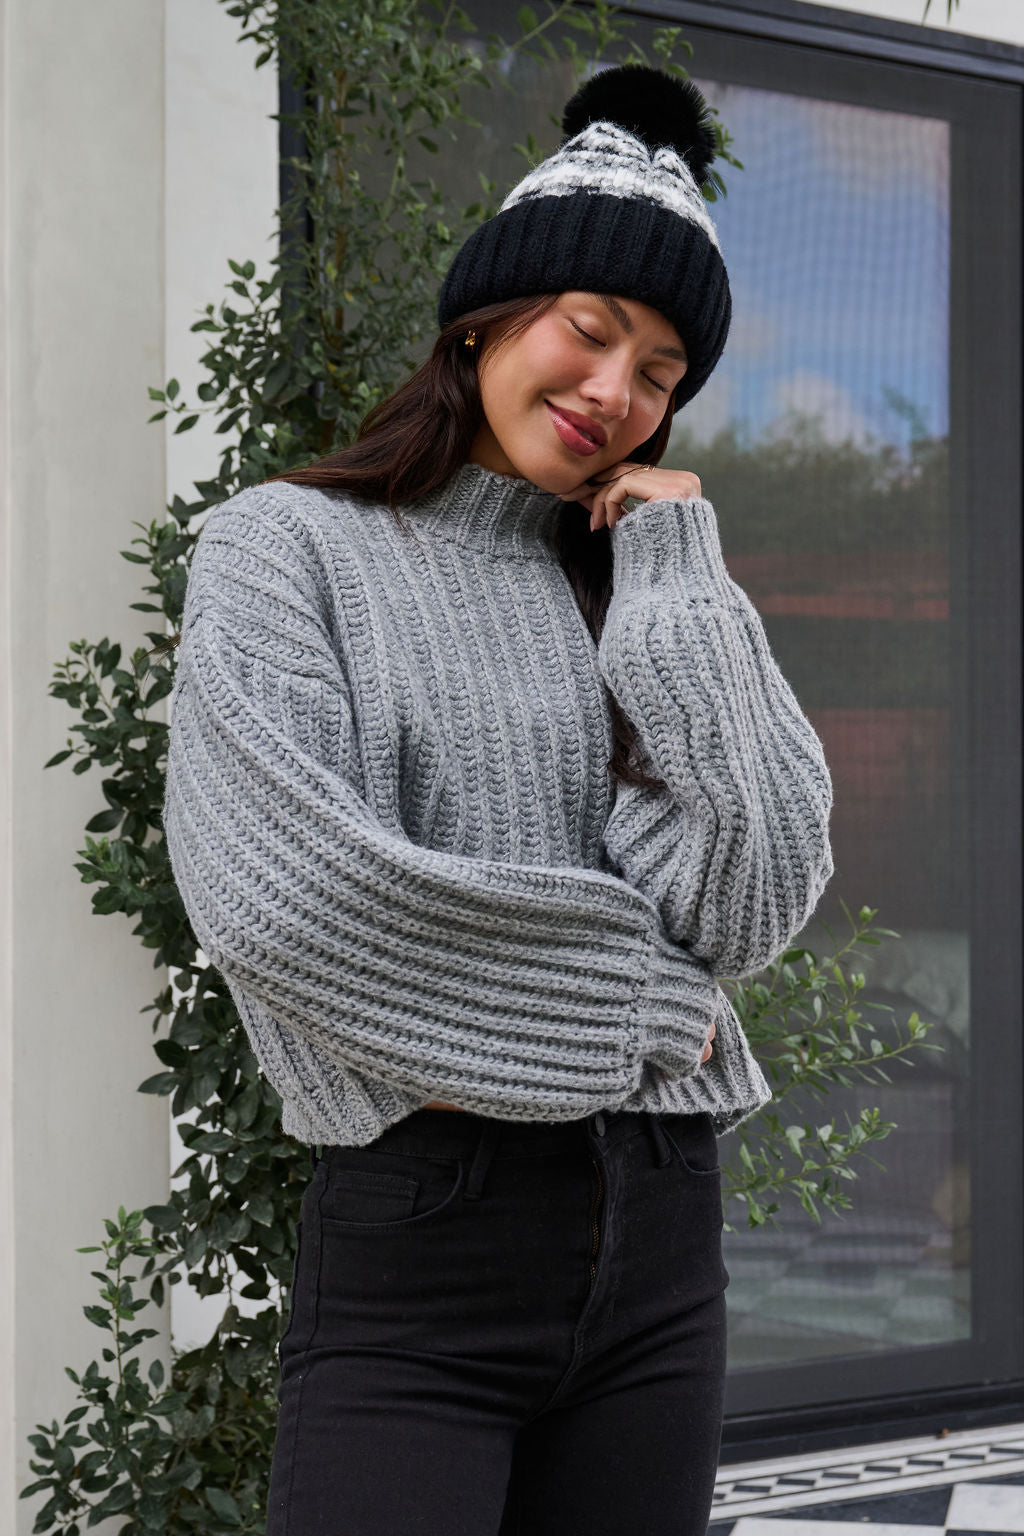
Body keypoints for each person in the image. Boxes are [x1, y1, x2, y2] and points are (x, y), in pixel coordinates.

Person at [162, 61, 834, 1536]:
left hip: (659, 1245)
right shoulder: (288, 550)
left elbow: (750, 895)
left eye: (660, 372)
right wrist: (652, 1014)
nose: (616, 393)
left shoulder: (656, 591)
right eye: (589, 333)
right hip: (424, 1249)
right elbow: (290, 900)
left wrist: (678, 578)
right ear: (485, 322)